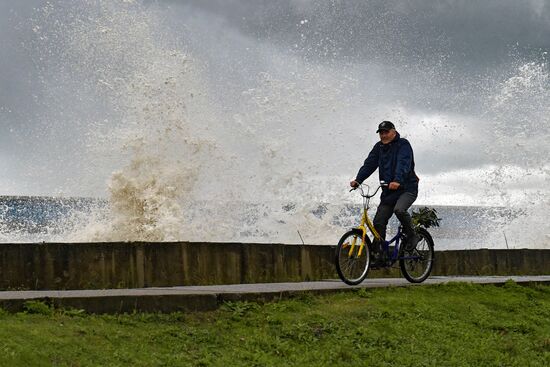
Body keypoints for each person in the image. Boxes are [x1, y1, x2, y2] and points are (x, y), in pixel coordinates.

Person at [350, 120, 420, 258]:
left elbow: (403, 163)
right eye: (381, 133)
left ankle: (413, 236)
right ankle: (379, 254)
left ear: (393, 132)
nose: (383, 135)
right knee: (378, 222)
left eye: (386, 132)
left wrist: (398, 180)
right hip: (389, 192)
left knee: (399, 210)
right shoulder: (379, 147)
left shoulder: (403, 144)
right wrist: (358, 180)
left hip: (407, 189)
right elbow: (369, 164)